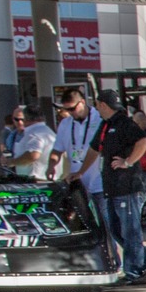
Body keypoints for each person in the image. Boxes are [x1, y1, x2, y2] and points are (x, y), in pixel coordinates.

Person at [93, 93, 146, 286]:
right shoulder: (105, 125)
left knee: (130, 230)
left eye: (98, 105)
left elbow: (144, 141)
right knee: (117, 230)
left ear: (102, 104)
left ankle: (134, 271)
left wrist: (128, 161)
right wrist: (80, 171)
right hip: (113, 187)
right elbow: (94, 149)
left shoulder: (124, 123)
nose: (97, 109)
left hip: (128, 186)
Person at [54, 87, 108, 236]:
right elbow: (57, 149)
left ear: (82, 102)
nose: (70, 112)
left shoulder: (100, 119)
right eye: (66, 110)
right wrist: (52, 164)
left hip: (99, 183)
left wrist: (81, 171)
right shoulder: (65, 124)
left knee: (107, 227)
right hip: (78, 185)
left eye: (72, 108)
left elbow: (96, 149)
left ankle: (113, 257)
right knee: (83, 228)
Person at [9, 102, 56, 180]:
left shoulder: (35, 133)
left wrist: (12, 162)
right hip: (46, 179)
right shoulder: (48, 131)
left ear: (26, 118)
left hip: (35, 180)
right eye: (16, 119)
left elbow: (33, 155)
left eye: (22, 119)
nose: (20, 122)